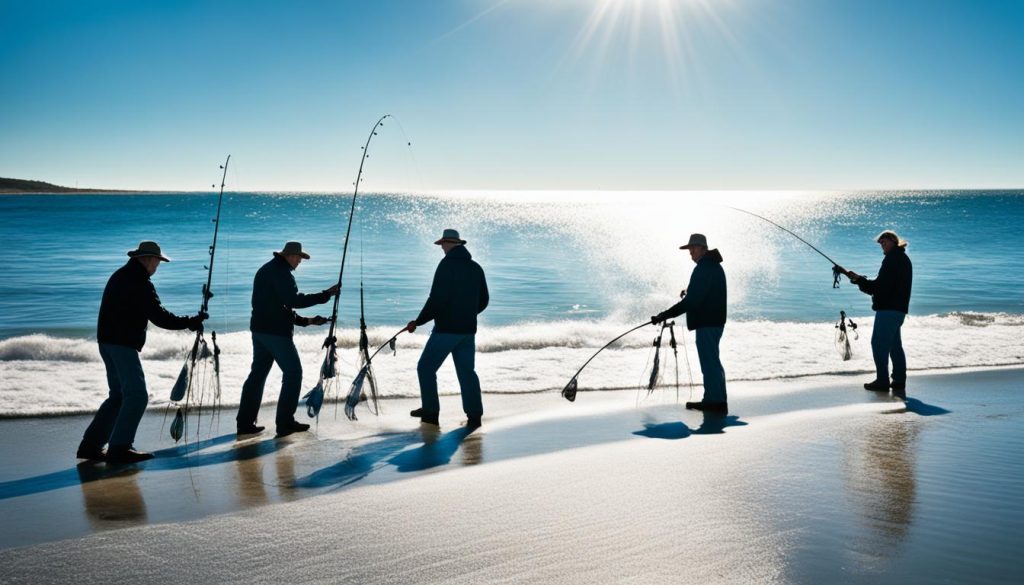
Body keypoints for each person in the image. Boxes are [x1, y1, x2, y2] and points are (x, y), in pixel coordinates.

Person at [78, 241, 207, 464]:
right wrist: (190, 322)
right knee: (137, 395)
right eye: (157, 261)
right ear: (146, 259)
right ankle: (120, 447)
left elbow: (154, 314)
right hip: (121, 344)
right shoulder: (139, 282)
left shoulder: (121, 275)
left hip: (106, 342)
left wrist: (188, 322)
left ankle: (90, 446)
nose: (158, 266)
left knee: (118, 395)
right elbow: (159, 316)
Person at [236, 242, 338, 437]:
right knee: (293, 373)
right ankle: (285, 423)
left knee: (257, 376)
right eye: (298, 257)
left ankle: (245, 423)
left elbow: (280, 307)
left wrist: (307, 321)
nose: (300, 261)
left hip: (260, 330)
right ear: (289, 255)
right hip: (276, 333)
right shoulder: (281, 273)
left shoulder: (268, 269)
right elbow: (293, 301)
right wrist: (325, 295)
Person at [406, 229, 489, 429]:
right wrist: (467, 314)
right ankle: (474, 415)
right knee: (467, 372)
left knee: (425, 368)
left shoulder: (446, 265)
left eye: (442, 244)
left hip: (446, 330)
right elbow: (484, 300)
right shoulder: (475, 267)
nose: (441, 247)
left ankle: (431, 411)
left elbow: (436, 300)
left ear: (449, 243)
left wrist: (418, 321)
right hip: (468, 331)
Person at [651, 233, 728, 414]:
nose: (690, 252)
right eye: (689, 248)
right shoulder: (711, 266)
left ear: (703, 248)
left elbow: (691, 302)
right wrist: (689, 290)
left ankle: (714, 401)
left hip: (708, 322)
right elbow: (702, 292)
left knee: (709, 362)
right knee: (713, 361)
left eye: (693, 248)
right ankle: (717, 399)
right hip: (714, 321)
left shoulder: (704, 268)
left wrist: (664, 315)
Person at [844, 230, 912, 399]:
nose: (882, 245)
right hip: (898, 310)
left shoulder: (892, 259)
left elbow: (880, 287)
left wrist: (859, 280)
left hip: (889, 310)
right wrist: (859, 280)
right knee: (895, 346)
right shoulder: (902, 258)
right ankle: (898, 381)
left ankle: (882, 381)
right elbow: (883, 285)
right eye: (880, 243)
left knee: (879, 344)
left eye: (884, 242)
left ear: (893, 241)